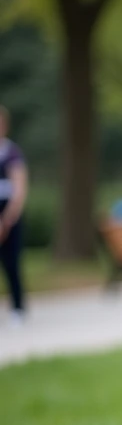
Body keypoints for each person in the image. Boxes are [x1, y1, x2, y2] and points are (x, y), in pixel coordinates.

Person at [0, 106, 29, 328]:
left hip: (8, 213)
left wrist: (7, 219)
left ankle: (18, 307)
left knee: (11, 263)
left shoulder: (11, 153)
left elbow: (19, 189)